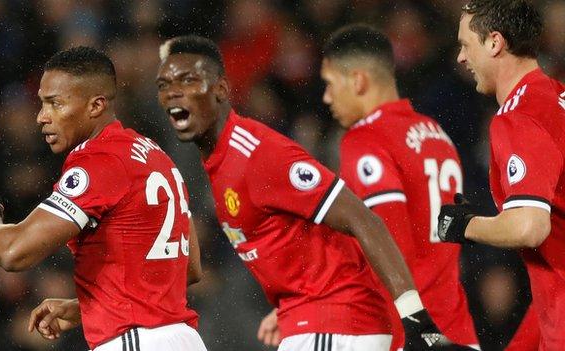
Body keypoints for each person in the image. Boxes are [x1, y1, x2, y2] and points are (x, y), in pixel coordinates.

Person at [155, 34, 474, 351]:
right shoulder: (220, 161)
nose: (173, 93)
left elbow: (364, 219)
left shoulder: (258, 154)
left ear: (222, 89)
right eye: (164, 85)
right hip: (323, 322)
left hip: (334, 327)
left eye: (188, 80)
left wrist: (414, 318)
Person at [0, 46, 206, 351]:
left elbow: (13, 251)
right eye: (42, 103)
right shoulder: (156, 156)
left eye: (55, 104)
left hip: (134, 340)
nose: (42, 117)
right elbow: (189, 268)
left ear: (96, 105)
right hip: (181, 339)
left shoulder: (100, 161)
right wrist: (86, 307)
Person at [317, 24, 479, 350]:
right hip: (458, 330)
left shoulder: (365, 140)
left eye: (330, 84)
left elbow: (387, 241)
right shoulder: (435, 133)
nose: (326, 97)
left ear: (358, 80)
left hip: (414, 333)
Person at [437, 1, 565, 350]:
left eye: (466, 45)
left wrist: (465, 225)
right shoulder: (555, 97)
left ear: (494, 43)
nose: (461, 58)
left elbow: (530, 226)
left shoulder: (520, 117)